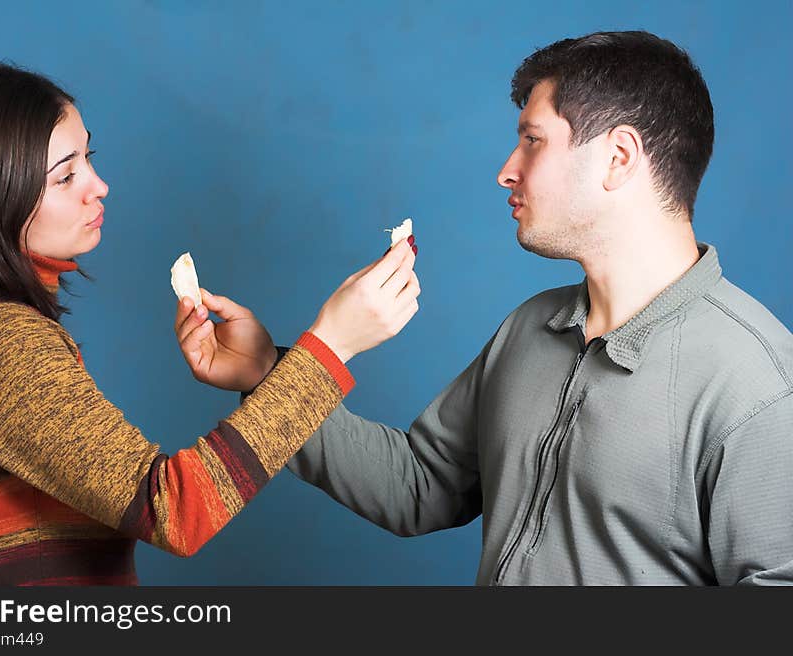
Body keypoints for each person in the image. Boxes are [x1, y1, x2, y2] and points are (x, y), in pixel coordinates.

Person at [180, 31, 793, 585]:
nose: (507, 171)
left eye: (533, 141)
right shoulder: (531, 329)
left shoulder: (755, 385)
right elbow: (417, 485)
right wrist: (270, 375)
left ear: (619, 157)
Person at [0, 61, 420, 585]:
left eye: (89, 158)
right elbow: (176, 512)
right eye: (66, 176)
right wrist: (330, 347)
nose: (99, 185)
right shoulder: (1, 342)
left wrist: (263, 368)